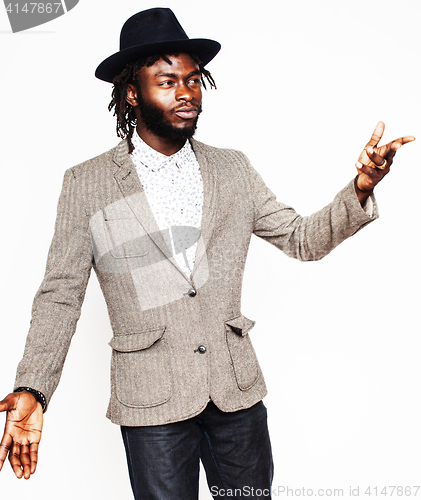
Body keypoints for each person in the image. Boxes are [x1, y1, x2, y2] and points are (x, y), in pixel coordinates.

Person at [0, 7, 415, 499]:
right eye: (167, 81)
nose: (186, 93)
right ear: (132, 93)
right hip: (152, 402)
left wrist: (361, 188)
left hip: (235, 394)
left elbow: (302, 239)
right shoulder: (87, 184)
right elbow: (61, 295)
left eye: (194, 80)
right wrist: (34, 386)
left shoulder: (232, 170)